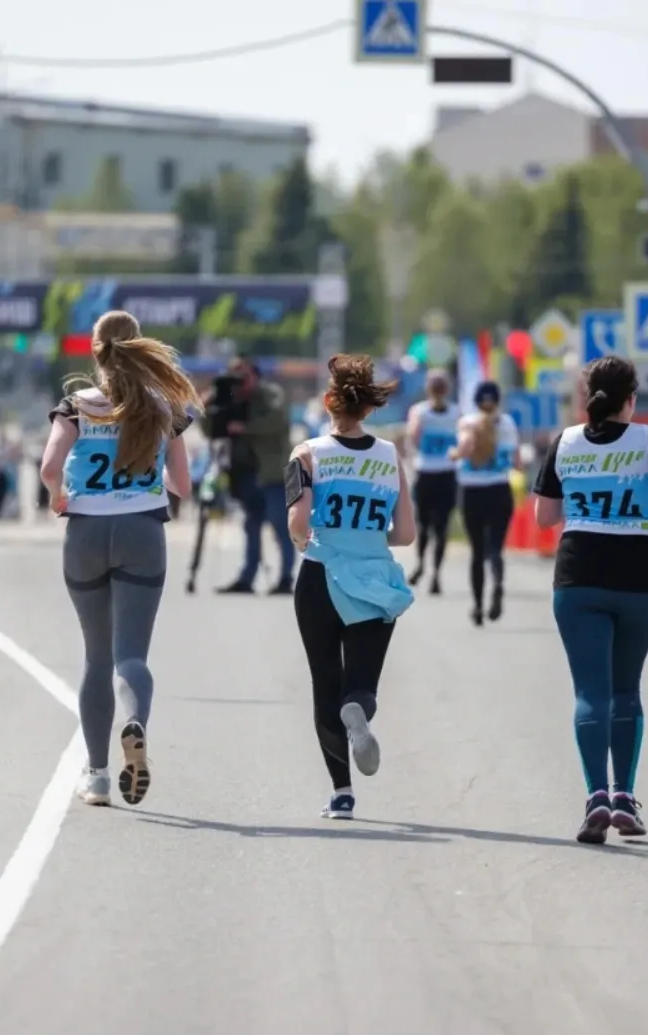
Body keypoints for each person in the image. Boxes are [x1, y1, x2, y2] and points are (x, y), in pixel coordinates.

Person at [531, 356, 648, 845]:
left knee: (590, 693)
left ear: (586, 398)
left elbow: (543, 516)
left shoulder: (564, 442)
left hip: (579, 573)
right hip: (639, 575)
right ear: (631, 400)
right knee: (627, 689)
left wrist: (584, 493)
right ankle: (625, 795)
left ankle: (596, 797)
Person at [41, 311, 198, 808]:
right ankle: (136, 724)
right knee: (131, 656)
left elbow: (49, 467)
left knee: (96, 656)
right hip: (142, 530)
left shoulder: (76, 406)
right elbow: (183, 486)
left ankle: (98, 775)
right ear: (139, 345)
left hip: (86, 530)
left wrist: (57, 493)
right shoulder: (163, 407)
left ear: (95, 350)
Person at [285, 354, 417, 821]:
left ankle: (342, 792)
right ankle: (358, 709)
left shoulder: (306, 454)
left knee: (324, 679)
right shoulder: (388, 456)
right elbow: (405, 534)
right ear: (368, 408)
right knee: (359, 684)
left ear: (329, 401)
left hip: (321, 572)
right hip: (372, 577)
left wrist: (307, 540)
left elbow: (298, 520)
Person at [217, 358, 298, 595]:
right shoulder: (231, 398)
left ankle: (285, 578)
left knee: (280, 524)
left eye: (243, 376)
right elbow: (211, 428)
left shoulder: (270, 393)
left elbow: (277, 419)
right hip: (245, 473)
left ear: (255, 375)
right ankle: (247, 578)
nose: (239, 382)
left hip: (275, 472)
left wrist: (246, 426)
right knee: (251, 525)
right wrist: (214, 401)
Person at [452, 381, 520, 626]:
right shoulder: (509, 424)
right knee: (495, 548)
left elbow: (465, 448)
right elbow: (517, 460)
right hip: (500, 489)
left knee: (477, 551)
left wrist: (455, 455)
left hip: (472, 491)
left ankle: (478, 606)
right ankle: (498, 582)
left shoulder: (468, 422)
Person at [401, 370, 459, 593]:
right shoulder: (455, 412)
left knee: (425, 525)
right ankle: (435, 573)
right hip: (446, 474)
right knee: (440, 527)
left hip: (426, 471)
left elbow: (413, 437)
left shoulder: (420, 411)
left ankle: (422, 566)